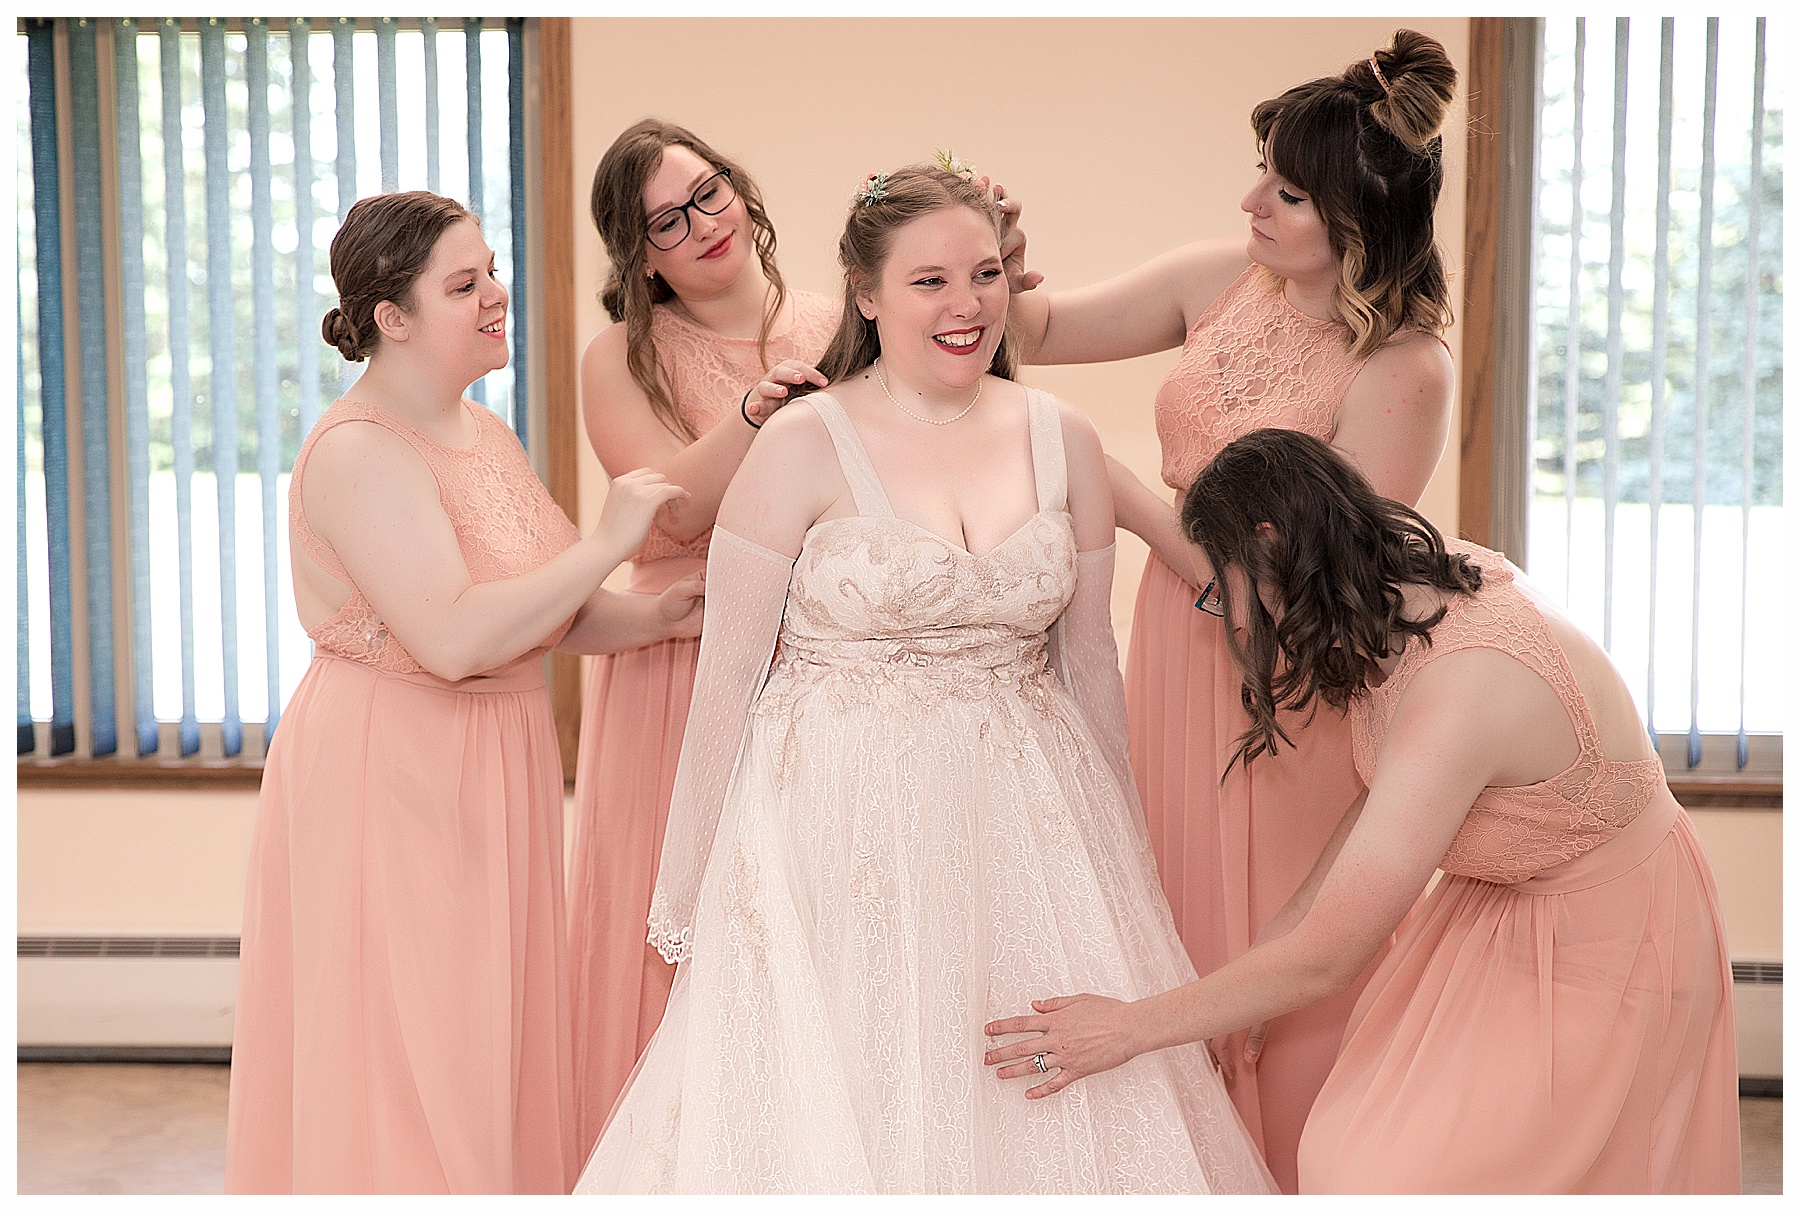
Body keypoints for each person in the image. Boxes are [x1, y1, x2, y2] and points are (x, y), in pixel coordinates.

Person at [574, 162, 1273, 1194]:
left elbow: (1091, 670)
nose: (967, 305)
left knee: (1032, 1103)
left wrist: (1123, 863)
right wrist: (688, 896)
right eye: (931, 281)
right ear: (866, 294)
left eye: (985, 274)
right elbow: (726, 685)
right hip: (836, 823)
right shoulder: (801, 444)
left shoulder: (1063, 440)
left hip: (1027, 827)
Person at [983, 428, 1742, 1194]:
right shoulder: (1396, 587)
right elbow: (1380, 806)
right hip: (1499, 907)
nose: (1232, 621)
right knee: (1349, 1146)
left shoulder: (1466, 681)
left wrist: (1123, 1029)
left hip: (1612, 934)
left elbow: (1329, 954)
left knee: (1388, 1174)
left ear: (1269, 544)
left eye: (1221, 586)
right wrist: (1261, 959)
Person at [956, 30, 1457, 1190]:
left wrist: (1121, 494)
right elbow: (1033, 333)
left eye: (1284, 192)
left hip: (1286, 685)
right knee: (1166, 921)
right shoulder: (1220, 280)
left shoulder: (1404, 372)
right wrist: (1000, 259)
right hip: (1173, 657)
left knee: (1267, 961)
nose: (1251, 204)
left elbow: (1302, 589)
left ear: (1358, 215)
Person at [224, 191, 705, 1194]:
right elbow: (447, 637)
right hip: (394, 776)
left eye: (490, 270)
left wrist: (674, 614)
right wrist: (614, 542)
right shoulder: (359, 451)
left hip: (499, 765)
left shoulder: (482, 434)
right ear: (391, 316)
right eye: (465, 282)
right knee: (415, 1056)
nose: (496, 295)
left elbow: (553, 610)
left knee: (489, 1042)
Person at [566, 120, 837, 1154]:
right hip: (683, 655)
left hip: (820, 654)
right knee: (687, 918)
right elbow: (667, 512)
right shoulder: (620, 357)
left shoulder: (838, 316)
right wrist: (756, 414)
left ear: (742, 189)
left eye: (709, 193)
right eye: (666, 223)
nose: (702, 226)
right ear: (641, 258)